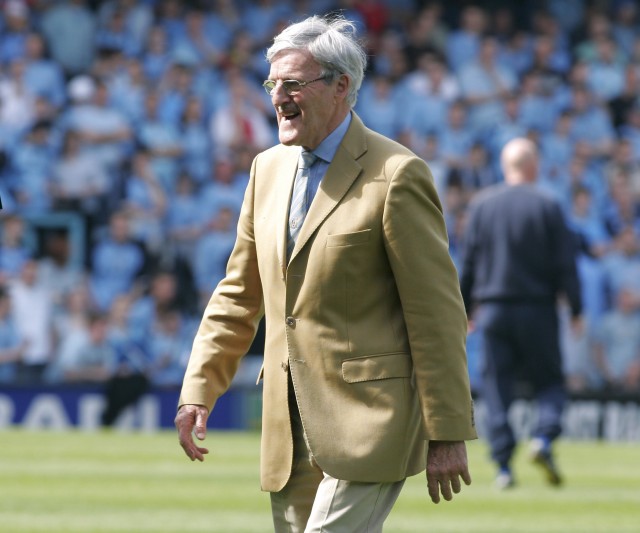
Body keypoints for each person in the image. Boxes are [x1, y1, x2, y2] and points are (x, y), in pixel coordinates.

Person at [175, 15, 476, 532]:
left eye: (293, 83)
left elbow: (436, 314)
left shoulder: (397, 174)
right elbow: (238, 295)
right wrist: (198, 388)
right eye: (272, 83)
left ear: (341, 87)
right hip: (287, 425)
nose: (278, 96)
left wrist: (446, 429)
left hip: (372, 420)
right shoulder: (265, 169)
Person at [459, 137, 582, 490]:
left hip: (494, 310)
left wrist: (466, 308)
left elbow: (468, 264)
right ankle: (543, 438)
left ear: (506, 165)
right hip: (538, 309)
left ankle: (503, 465)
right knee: (549, 382)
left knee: (497, 386)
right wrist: (576, 308)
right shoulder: (548, 205)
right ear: (533, 166)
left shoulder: (482, 206)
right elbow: (566, 264)